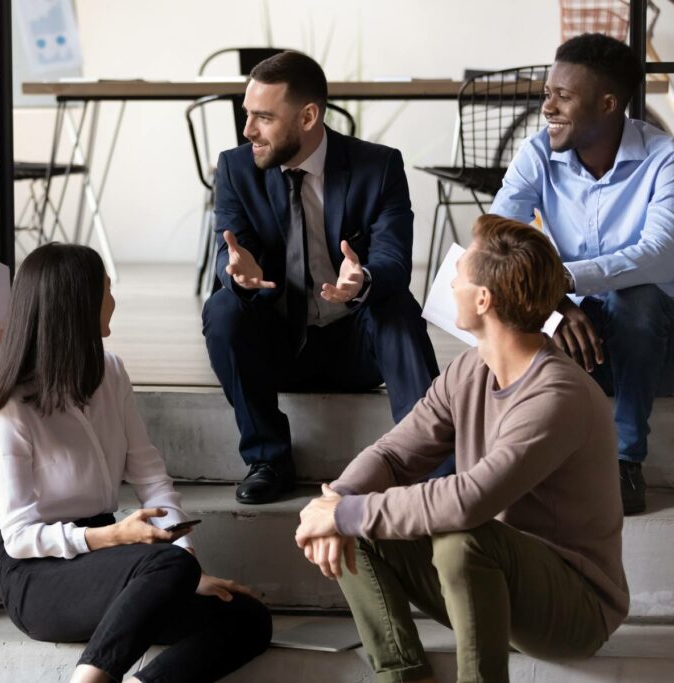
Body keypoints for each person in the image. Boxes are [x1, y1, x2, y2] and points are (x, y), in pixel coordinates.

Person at [295, 215, 628, 683]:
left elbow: (471, 499)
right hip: (491, 587)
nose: (450, 279)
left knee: (458, 537)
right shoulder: (469, 369)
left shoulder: (558, 394)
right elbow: (394, 456)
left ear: (483, 299)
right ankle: (403, 676)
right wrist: (336, 502)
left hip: (573, 609)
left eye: (460, 272)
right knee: (361, 520)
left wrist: (345, 511)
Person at [0, 243, 271, 683]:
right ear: (77, 306)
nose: (112, 300)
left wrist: (187, 570)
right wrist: (117, 536)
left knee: (247, 615)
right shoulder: (10, 411)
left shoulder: (109, 372)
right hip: (40, 578)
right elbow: (19, 539)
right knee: (170, 564)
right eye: (106, 289)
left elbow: (151, 478)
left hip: (117, 563)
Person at [202, 50, 439, 505]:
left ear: (308, 116)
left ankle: (430, 464)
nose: (248, 130)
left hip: (353, 345)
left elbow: (393, 258)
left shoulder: (378, 166)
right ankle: (268, 459)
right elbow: (227, 248)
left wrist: (364, 278)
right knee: (223, 309)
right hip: (277, 343)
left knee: (397, 306)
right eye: (247, 115)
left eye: (263, 118)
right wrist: (237, 274)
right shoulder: (236, 168)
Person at [491, 32, 674, 515]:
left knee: (638, 296)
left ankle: (624, 461)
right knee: (501, 299)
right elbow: (495, 241)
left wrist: (562, 281)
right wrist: (555, 303)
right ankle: (517, 454)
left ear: (609, 104)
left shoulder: (664, 159)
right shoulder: (537, 153)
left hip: (654, 339)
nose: (546, 106)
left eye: (562, 96)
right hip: (581, 331)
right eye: (547, 92)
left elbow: (660, 254)